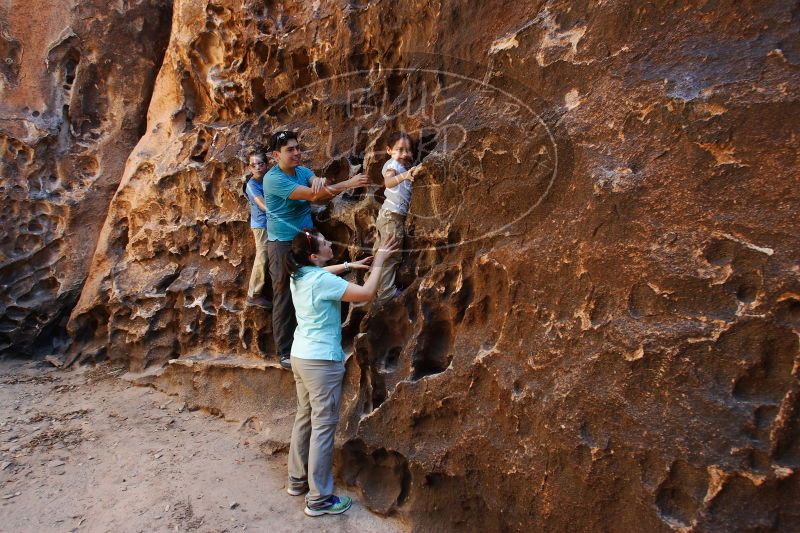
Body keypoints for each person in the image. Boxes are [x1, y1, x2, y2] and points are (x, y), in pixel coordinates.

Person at [285, 228, 398, 516]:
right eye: (323, 243)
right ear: (313, 255)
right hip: (321, 362)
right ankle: (319, 499)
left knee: (304, 417)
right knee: (323, 428)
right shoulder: (321, 280)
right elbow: (368, 293)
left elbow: (321, 271)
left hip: (300, 356)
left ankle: (296, 481)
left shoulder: (298, 274)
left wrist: (350, 266)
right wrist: (381, 260)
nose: (328, 243)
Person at [263, 130, 370, 369]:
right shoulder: (273, 179)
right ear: (275, 155)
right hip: (282, 243)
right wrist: (349, 183)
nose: (296, 153)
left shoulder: (301, 171)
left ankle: (314, 343)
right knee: (285, 294)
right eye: (289, 150)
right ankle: (284, 352)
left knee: (317, 284)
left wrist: (319, 182)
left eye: (297, 148)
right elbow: (313, 195)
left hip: (307, 241)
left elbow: (317, 185)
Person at [365, 131, 422, 304]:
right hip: (392, 217)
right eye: (400, 150)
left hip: (388, 216)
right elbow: (388, 183)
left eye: (408, 150)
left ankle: (371, 282)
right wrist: (405, 175)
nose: (405, 154)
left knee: (381, 252)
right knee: (391, 254)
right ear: (389, 151)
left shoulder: (401, 166)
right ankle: (387, 293)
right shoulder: (393, 166)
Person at [243, 152, 272, 309]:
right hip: (261, 225)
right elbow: (262, 205)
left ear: (266, 165)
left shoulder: (270, 180)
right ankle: (253, 294)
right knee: (262, 255)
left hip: (273, 224)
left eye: (260, 164)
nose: (258, 167)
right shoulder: (251, 185)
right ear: (249, 167)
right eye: (253, 165)